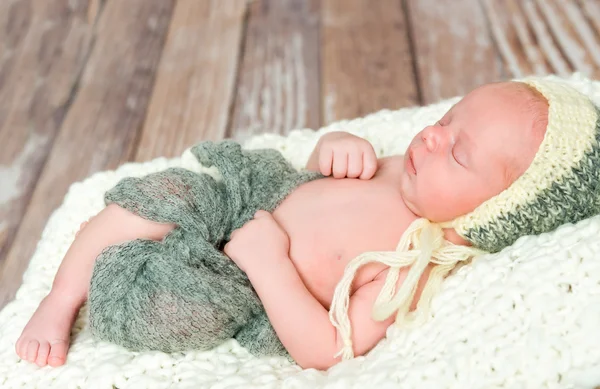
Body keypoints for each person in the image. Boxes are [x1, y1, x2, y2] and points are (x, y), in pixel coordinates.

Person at [15, 78, 600, 371]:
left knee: (166, 311)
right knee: (156, 195)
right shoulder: (405, 166)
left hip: (245, 285)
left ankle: (104, 291)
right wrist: (336, 148)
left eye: (460, 153)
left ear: (490, 215)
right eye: (449, 118)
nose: (433, 135)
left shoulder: (409, 267)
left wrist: (267, 264)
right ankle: (62, 297)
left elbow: (327, 349)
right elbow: (316, 172)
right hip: (250, 198)